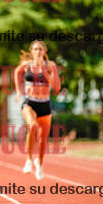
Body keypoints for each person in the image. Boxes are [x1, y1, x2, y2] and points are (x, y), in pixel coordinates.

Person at [14, 40, 60, 180]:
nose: (38, 51)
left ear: (44, 51)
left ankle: (39, 163)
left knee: (42, 140)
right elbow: (17, 72)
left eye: (40, 49)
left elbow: (56, 87)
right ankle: (28, 159)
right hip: (30, 102)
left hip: (44, 104)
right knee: (32, 126)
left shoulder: (51, 65)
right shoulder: (26, 65)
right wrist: (18, 91)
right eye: (35, 49)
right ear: (31, 51)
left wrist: (45, 72)